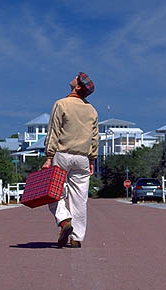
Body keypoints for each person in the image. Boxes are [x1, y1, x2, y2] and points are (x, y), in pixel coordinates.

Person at [42, 72, 99, 249]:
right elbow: (95, 137)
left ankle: (64, 220)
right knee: (80, 198)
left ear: (78, 86)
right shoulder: (92, 110)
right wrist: (92, 159)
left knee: (53, 192)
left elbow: (54, 132)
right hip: (82, 157)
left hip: (62, 155)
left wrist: (49, 156)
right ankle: (76, 238)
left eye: (77, 77)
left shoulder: (61, 104)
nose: (73, 77)